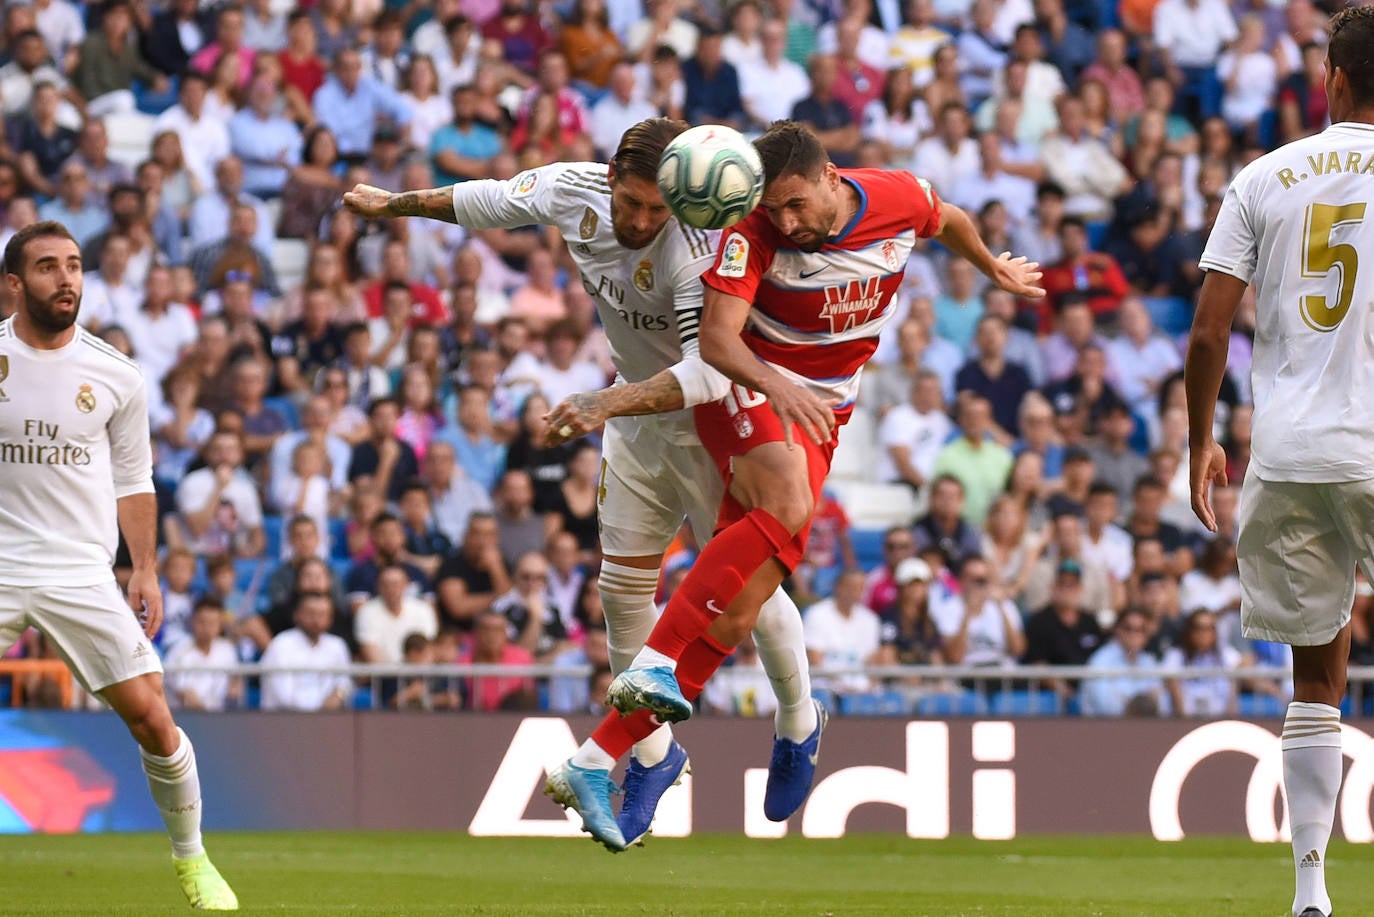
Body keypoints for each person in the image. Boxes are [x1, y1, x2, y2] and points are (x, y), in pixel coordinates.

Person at [342, 118, 819, 852]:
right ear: (610, 179)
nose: (638, 220)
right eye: (630, 203)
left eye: (655, 210)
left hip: (712, 428)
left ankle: (799, 720)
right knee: (621, 593)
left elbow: (707, 371)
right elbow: (483, 200)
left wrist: (601, 403)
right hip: (633, 422)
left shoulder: (698, 244)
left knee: (752, 598)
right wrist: (394, 203)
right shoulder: (573, 189)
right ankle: (654, 760)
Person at [601, 119, 1042, 818]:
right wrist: (776, 385)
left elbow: (948, 216)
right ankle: (608, 750)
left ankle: (794, 725)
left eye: (796, 203)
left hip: (824, 410)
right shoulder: (754, 230)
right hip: (756, 387)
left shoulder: (896, 196)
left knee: (744, 606)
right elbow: (716, 338)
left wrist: (991, 265)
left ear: (832, 177)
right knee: (770, 523)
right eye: (774, 206)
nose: (786, 219)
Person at [1185, 10, 1374, 917]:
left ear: (1333, 75)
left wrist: (1198, 441)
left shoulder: (1264, 176)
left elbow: (1210, 329)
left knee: (1315, 671)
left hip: (1292, 449)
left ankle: (1311, 892)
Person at [0, 223, 237, 908]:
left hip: (81, 567)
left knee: (152, 716)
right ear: (15, 282)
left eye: (74, 265)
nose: (65, 279)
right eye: (47, 267)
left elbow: (135, 478)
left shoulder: (116, 373)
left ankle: (193, 860)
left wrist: (146, 568)